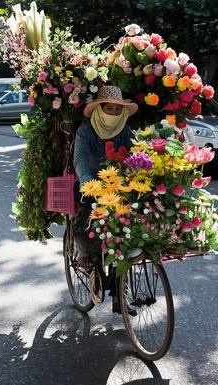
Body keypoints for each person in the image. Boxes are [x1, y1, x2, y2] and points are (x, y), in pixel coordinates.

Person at [73, 85, 138, 315]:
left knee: (128, 236)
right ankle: (82, 251)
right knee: (90, 226)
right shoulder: (85, 132)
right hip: (91, 187)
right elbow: (81, 163)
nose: (112, 113)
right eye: (107, 108)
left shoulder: (124, 130)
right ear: (99, 109)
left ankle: (120, 294)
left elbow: (135, 155)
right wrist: (92, 187)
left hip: (119, 187)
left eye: (116, 109)